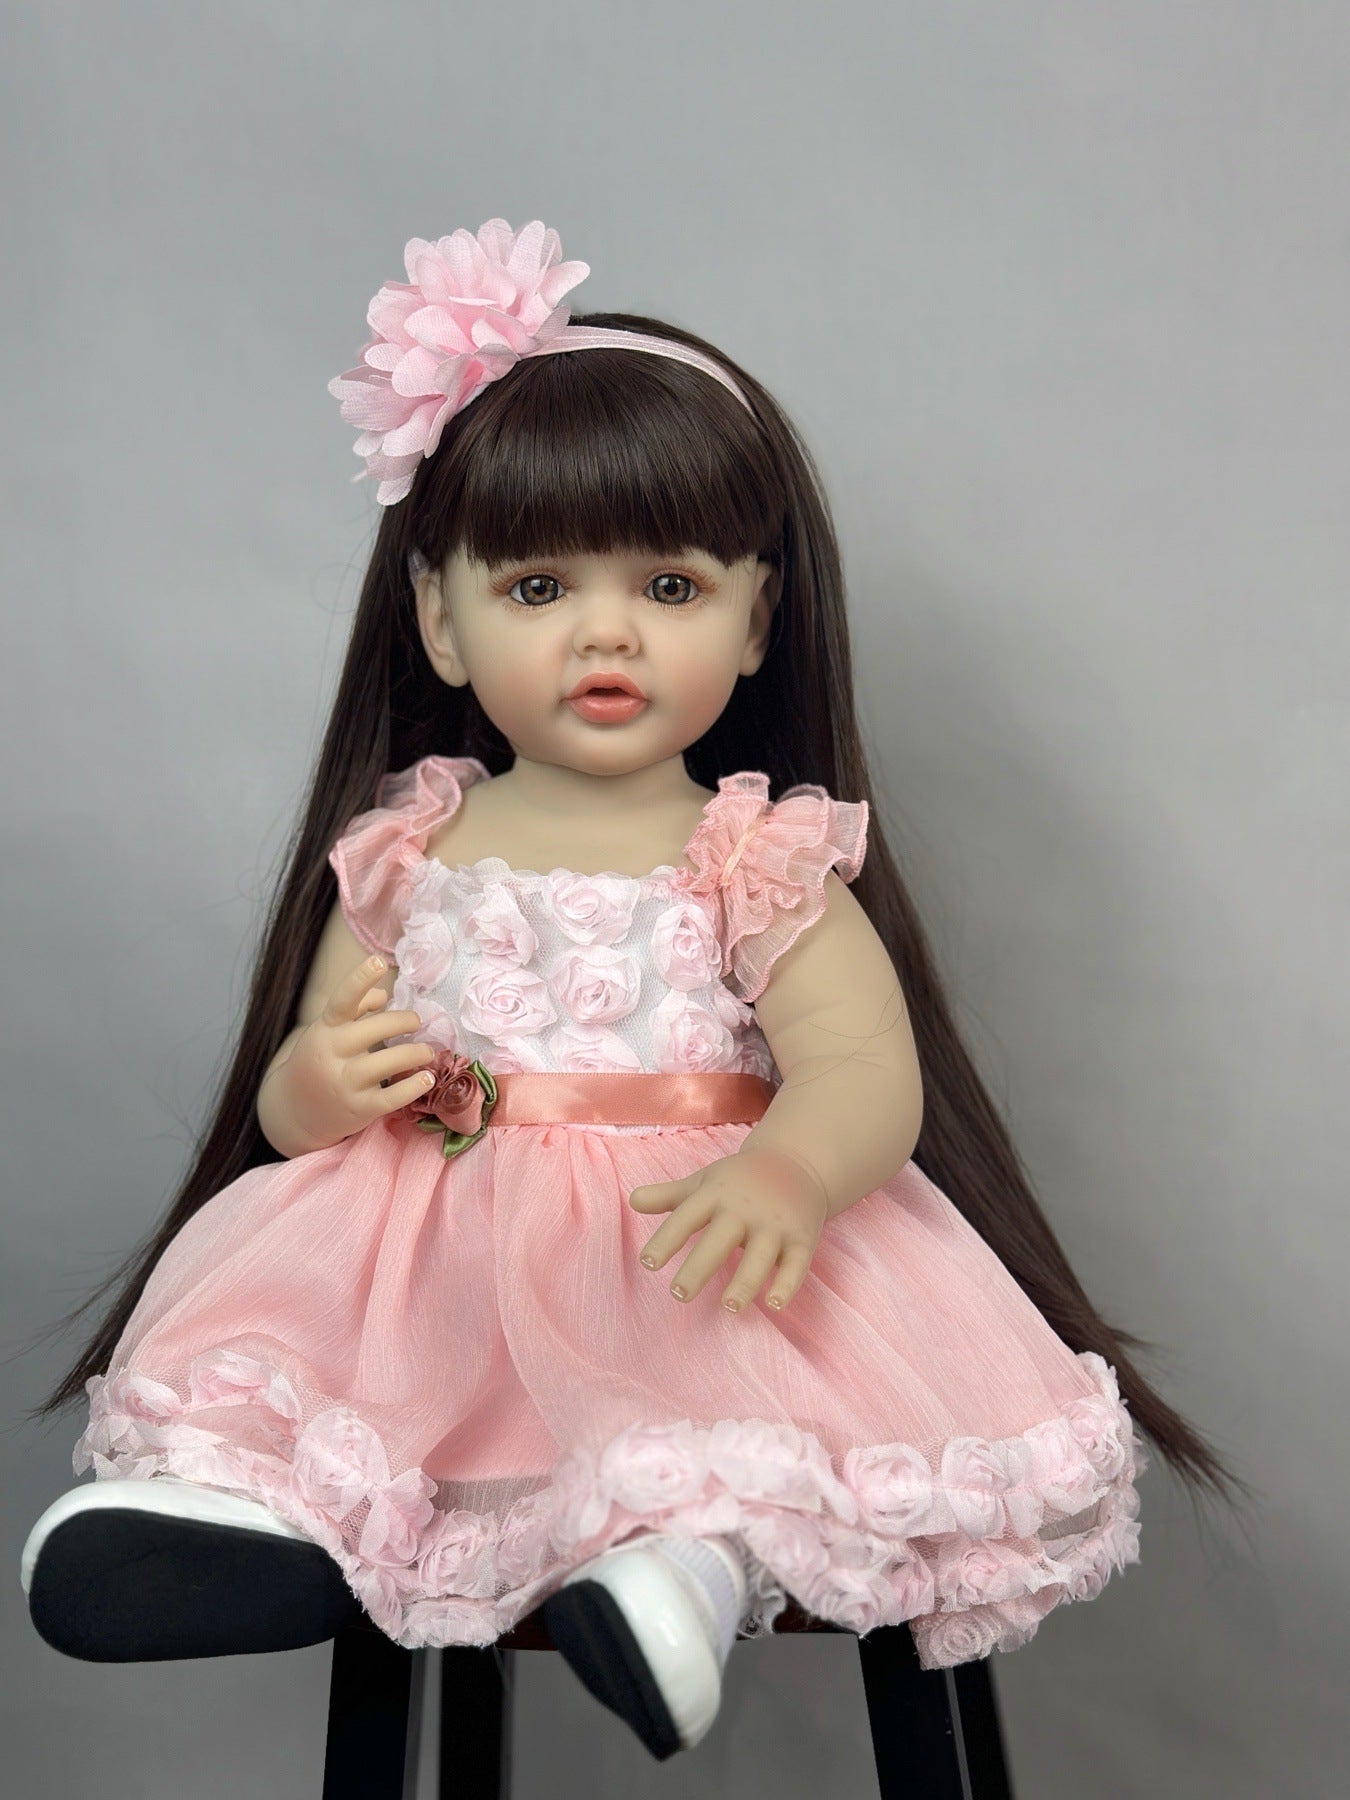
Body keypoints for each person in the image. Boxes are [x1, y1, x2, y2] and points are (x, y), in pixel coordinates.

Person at [24, 219, 1245, 1761]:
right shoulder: (408, 849)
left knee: (703, 1424)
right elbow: (308, 1073)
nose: (605, 631)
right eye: (538, 586)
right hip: (430, 1274)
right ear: (440, 620)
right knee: (300, 1374)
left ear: (755, 618)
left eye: (668, 585)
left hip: (690, 1247)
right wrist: (318, 1087)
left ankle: (674, 1575)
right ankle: (234, 1515)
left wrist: (792, 1174)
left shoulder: (752, 856)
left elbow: (860, 1069)